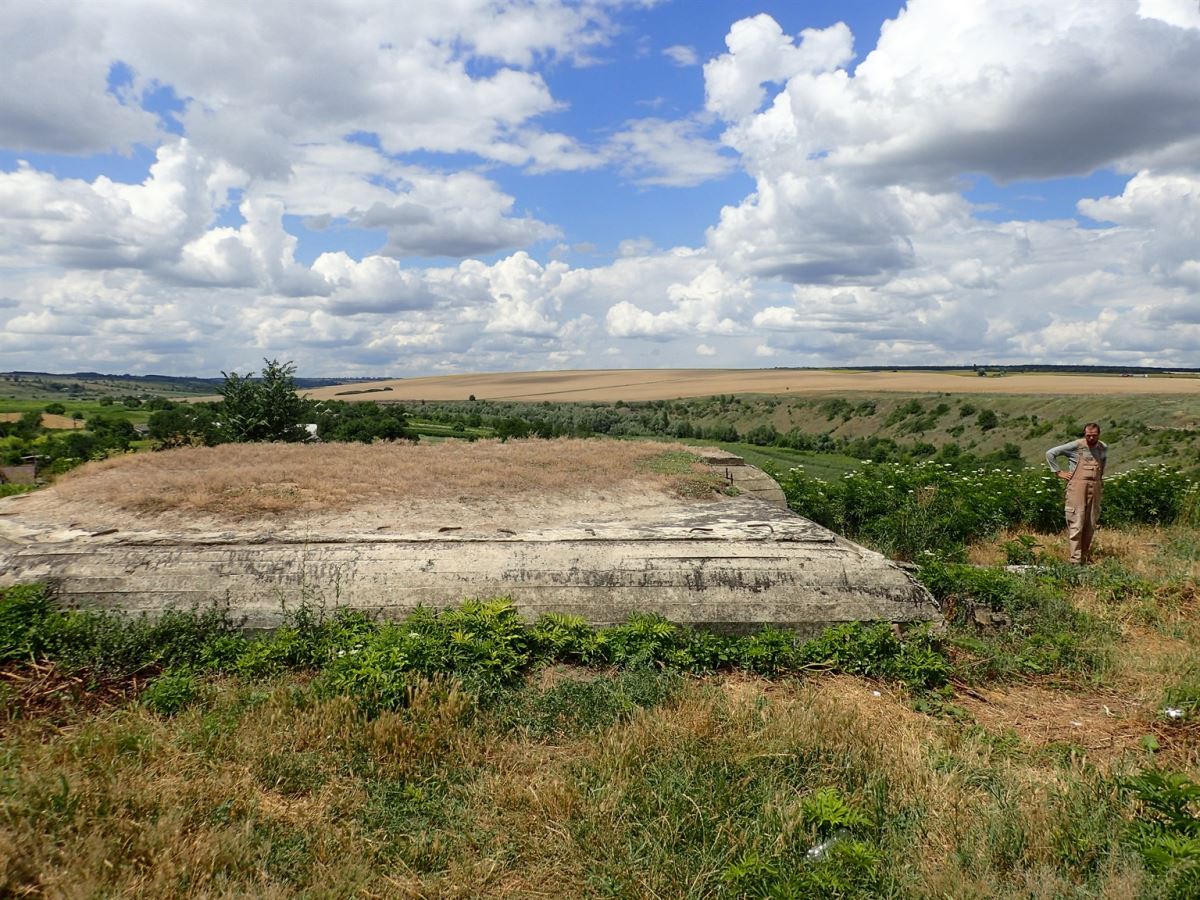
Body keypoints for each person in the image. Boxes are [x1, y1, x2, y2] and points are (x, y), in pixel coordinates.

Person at [1045, 423, 1107, 564]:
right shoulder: (1075, 446)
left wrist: (1100, 480)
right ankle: (1075, 560)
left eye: (1094, 435)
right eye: (1088, 435)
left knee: (1090, 523)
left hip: (1095, 486)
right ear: (1084, 434)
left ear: (1099, 434)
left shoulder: (1102, 447)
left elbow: (1103, 463)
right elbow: (1050, 453)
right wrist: (1058, 472)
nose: (1091, 437)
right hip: (1077, 487)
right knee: (1076, 521)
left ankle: (1084, 556)